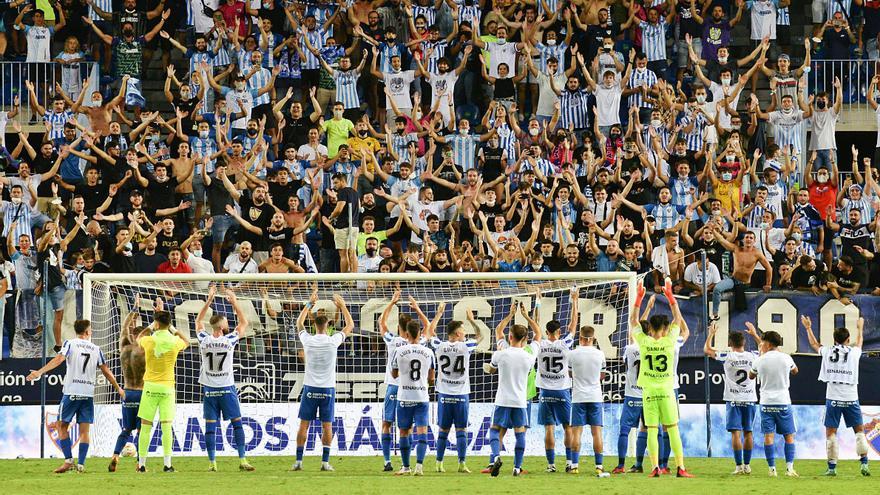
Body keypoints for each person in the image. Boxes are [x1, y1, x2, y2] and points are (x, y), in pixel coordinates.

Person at [26, 319, 124, 473]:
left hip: (72, 392)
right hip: (87, 394)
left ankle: (68, 460)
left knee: (61, 426)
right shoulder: (96, 349)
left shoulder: (70, 344)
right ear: (87, 332)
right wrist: (118, 388)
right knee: (84, 431)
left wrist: (39, 372)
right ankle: (81, 465)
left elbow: (59, 359)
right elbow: (106, 370)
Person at [630, 279, 694, 478]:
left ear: (650, 328)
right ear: (665, 328)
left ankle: (655, 467)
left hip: (648, 391)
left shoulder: (643, 341)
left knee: (651, 429)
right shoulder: (670, 341)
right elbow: (678, 320)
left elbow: (633, 321)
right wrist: (670, 296)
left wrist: (640, 297)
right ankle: (680, 468)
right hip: (667, 391)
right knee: (673, 428)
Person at [195, 286, 255, 472]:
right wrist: (234, 302)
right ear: (221, 326)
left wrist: (209, 300)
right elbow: (244, 322)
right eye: (226, 321)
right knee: (237, 424)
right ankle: (243, 460)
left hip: (210, 389)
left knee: (210, 427)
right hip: (227, 388)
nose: (228, 322)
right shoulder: (230, 340)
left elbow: (198, 321)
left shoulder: (203, 339)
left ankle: (212, 463)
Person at [292, 292, 354, 472]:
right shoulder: (333, 341)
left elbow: (298, 324)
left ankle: (298, 461)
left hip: (310, 387)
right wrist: (342, 306)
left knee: (304, 424)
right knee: (327, 425)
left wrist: (309, 304)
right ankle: (325, 462)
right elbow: (350, 325)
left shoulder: (308, 340)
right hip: (327, 389)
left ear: (314, 324)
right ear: (328, 325)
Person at [802, 316, 870, 477]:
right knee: (859, 432)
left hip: (833, 398)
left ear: (834, 339)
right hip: (851, 398)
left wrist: (808, 328)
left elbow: (813, 344)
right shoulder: (854, 352)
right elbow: (860, 342)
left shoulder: (827, 351)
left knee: (831, 433)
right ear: (848, 339)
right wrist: (860, 327)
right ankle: (864, 464)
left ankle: (832, 468)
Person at [485, 301, 543, 477]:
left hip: (502, 399)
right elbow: (539, 333)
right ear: (525, 340)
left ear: (510, 337)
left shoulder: (500, 353)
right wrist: (526, 316)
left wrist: (510, 315)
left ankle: (495, 458)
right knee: (520, 433)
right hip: (520, 400)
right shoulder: (530, 355)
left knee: (494, 430)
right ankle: (517, 467)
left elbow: (497, 331)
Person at [136, 302, 190, 472]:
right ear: (169, 324)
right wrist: (171, 328)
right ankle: (167, 464)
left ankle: (142, 465)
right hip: (168, 388)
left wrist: (151, 325)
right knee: (166, 426)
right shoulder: (174, 341)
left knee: (145, 426)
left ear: (156, 324)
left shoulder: (150, 340)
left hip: (150, 387)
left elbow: (138, 338)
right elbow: (187, 341)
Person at [704, 321, 762, 475]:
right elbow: (764, 349)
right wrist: (755, 334)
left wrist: (711, 333)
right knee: (748, 432)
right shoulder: (753, 355)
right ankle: (747, 466)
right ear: (744, 342)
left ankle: (738, 466)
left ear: (730, 343)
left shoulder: (727, 355)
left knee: (735, 433)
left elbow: (706, 350)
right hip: (749, 399)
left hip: (733, 399)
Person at [428, 307, 480, 474]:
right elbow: (481, 336)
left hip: (444, 394)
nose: (465, 333)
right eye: (463, 331)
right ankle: (462, 464)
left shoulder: (439, 345)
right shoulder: (466, 346)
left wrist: (438, 314)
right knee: (461, 431)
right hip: (461, 395)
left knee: (443, 431)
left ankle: (439, 463)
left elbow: (429, 333)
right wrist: (472, 320)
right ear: (457, 334)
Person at [534, 288, 577, 473]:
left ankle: (551, 465)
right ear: (559, 331)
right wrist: (575, 301)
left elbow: (534, 324)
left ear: (546, 331)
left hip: (545, 391)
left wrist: (538, 301)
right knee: (568, 427)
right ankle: (569, 462)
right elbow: (573, 326)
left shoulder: (540, 344)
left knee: (549, 428)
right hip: (562, 391)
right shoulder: (565, 343)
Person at [748, 329, 799, 477]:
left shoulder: (759, 360)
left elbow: (751, 376)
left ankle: (772, 469)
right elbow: (795, 371)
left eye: (763, 342)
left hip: (766, 403)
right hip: (783, 401)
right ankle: (789, 468)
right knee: (789, 435)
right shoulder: (786, 358)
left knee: (768, 436)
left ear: (768, 343)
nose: (761, 344)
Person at [390, 317, 435, 476]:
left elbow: (394, 374)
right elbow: (431, 378)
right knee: (422, 431)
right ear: (420, 333)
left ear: (407, 334)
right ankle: (419, 467)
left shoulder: (399, 351)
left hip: (405, 397)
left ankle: (406, 467)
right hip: (422, 397)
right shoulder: (429, 352)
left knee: (404, 432)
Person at [568, 314, 610, 477]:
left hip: (578, 397)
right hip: (595, 397)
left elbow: (570, 374)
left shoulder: (572, 354)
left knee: (576, 433)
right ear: (593, 338)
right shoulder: (600, 354)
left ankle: (574, 466)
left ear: (580, 337)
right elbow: (602, 375)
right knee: (596, 433)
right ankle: (599, 466)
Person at [109, 301, 148, 472]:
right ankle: (140, 464)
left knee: (125, 430)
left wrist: (134, 310)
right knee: (141, 430)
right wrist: (158, 313)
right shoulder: (145, 351)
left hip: (127, 393)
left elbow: (124, 328)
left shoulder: (124, 347)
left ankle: (115, 456)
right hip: (142, 394)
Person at [378, 290, 414, 471]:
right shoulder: (417, 343)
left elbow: (381, 323)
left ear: (398, 325)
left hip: (393, 387)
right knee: (408, 427)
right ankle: (406, 462)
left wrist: (392, 302)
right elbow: (429, 330)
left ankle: (387, 461)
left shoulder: (392, 340)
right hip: (409, 389)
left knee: (387, 424)